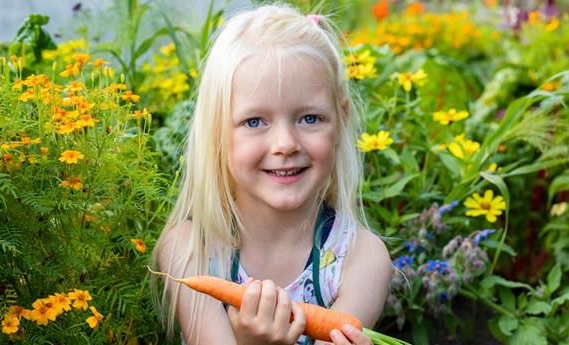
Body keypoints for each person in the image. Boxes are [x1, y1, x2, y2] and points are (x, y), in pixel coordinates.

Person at [151, 4, 392, 345]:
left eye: (309, 118)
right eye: (254, 122)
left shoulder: (360, 259)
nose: (285, 144)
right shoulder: (191, 250)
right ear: (217, 132)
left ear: (340, 120)